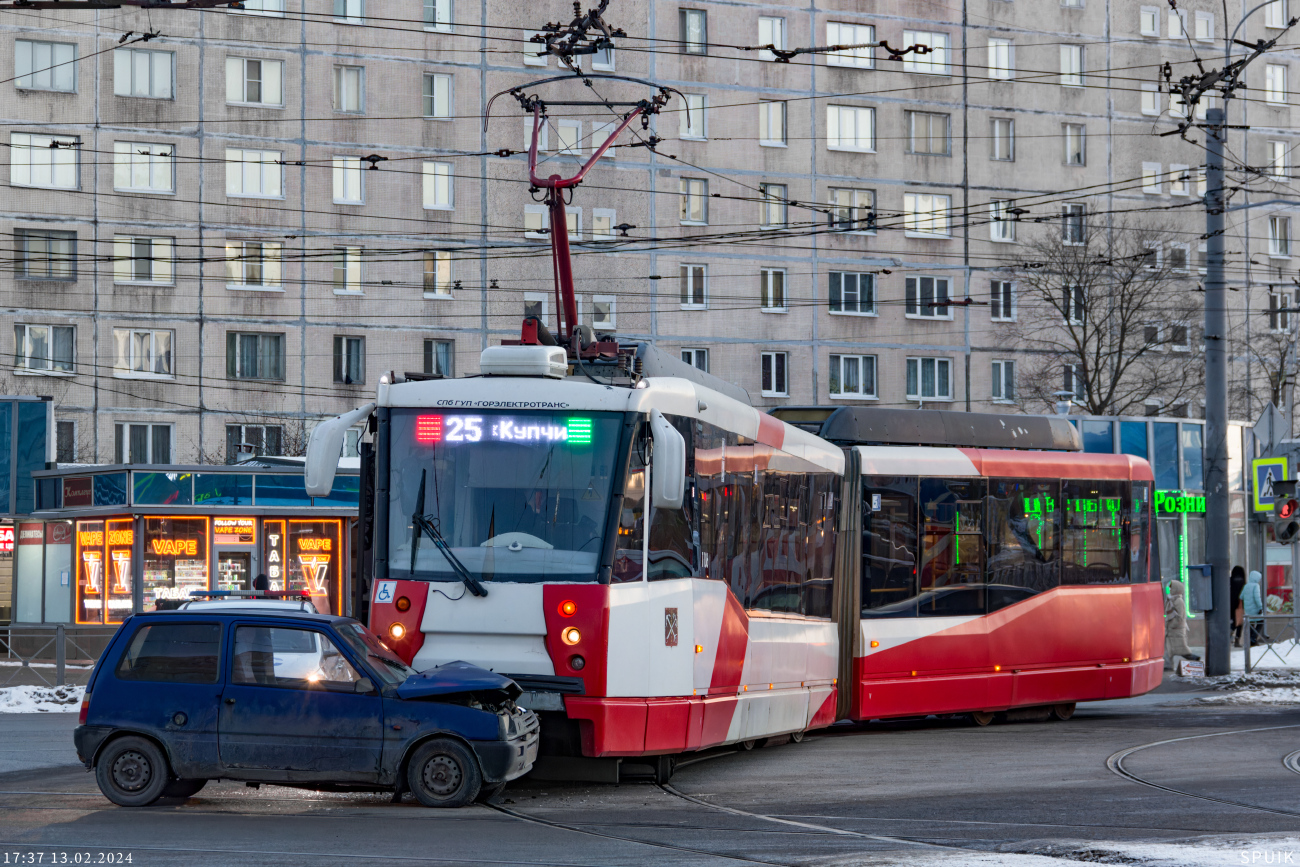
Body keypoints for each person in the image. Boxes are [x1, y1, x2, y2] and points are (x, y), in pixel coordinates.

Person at [1164, 580, 1196, 668]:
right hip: (1172, 630)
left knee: (1181, 649)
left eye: (1170, 588)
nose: (1168, 590)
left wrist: (1170, 625)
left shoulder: (1178, 601)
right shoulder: (1171, 600)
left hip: (1176, 630)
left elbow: (1180, 617)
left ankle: (1194, 659)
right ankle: (1168, 665)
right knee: (1170, 649)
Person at [1243, 570, 1265, 647]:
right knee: (1261, 621)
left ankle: (1250, 639)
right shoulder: (1256, 586)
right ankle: (1253, 639)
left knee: (1251, 623)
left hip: (1247, 609)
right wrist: (1260, 607)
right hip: (1255, 609)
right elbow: (1257, 598)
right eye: (1259, 578)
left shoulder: (1246, 586)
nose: (1259, 580)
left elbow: (1241, 596)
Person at [1230, 566, 1247, 647]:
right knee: (1239, 622)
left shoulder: (1230, 580)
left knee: (1232, 620)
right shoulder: (1243, 582)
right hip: (1239, 604)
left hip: (1229, 604)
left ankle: (1230, 632)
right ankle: (1237, 639)